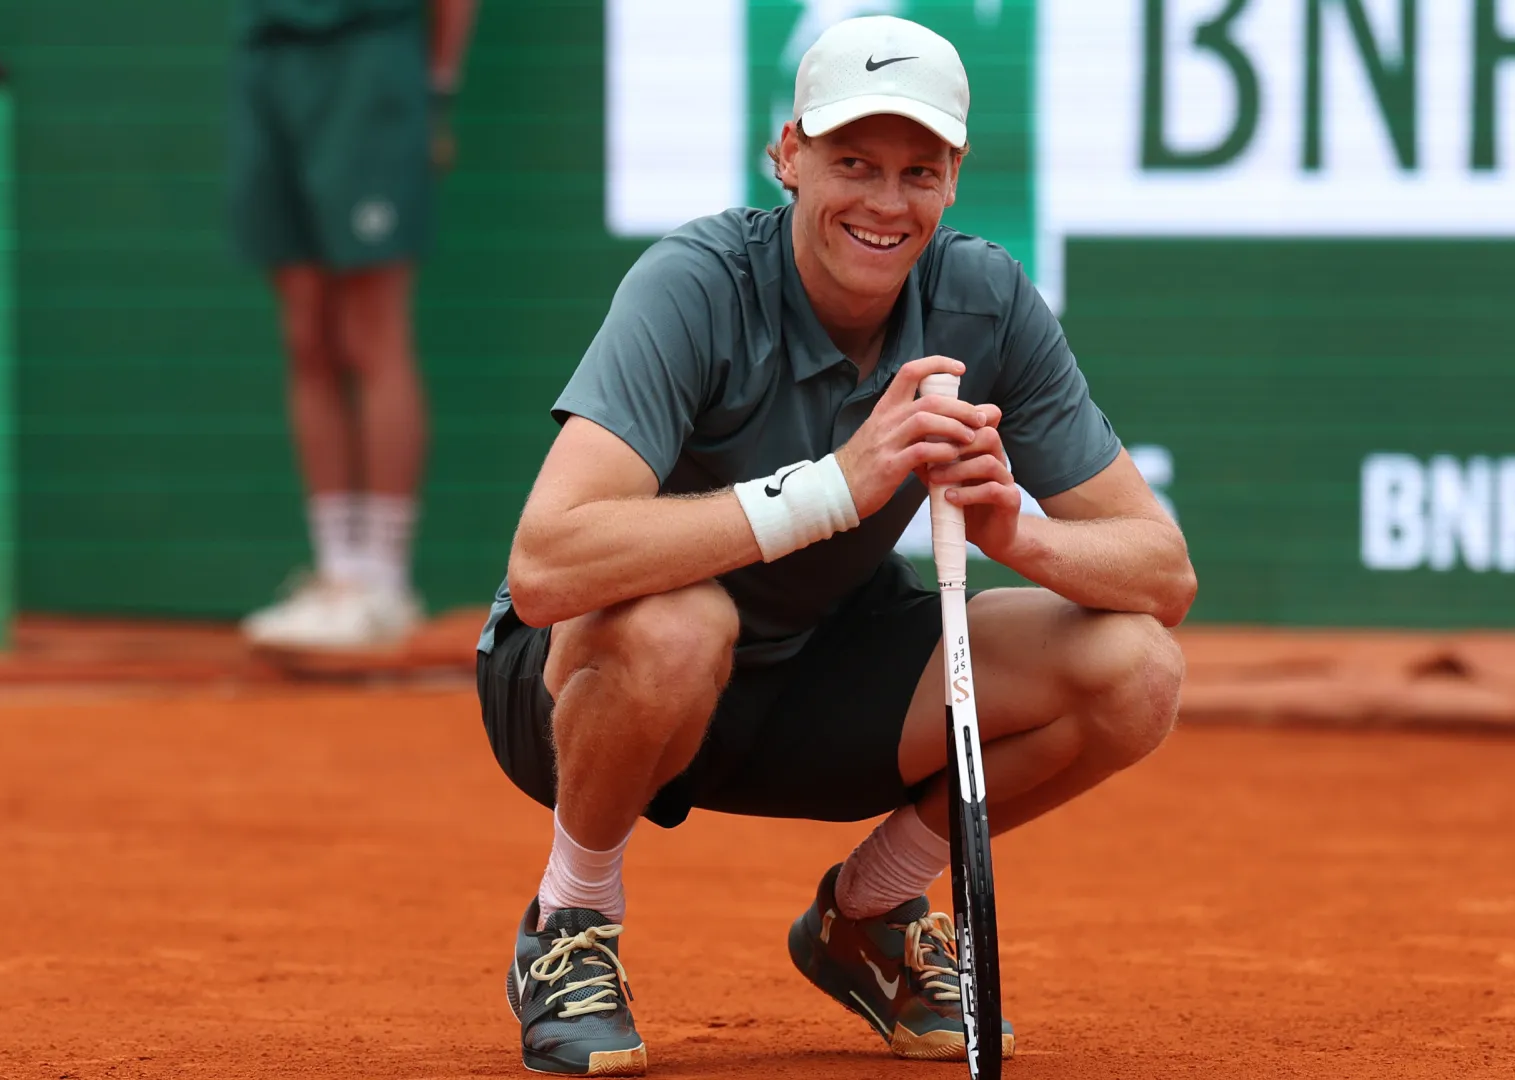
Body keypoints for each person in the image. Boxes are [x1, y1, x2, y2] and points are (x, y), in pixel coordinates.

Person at [474, 15, 1196, 1077]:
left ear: (953, 178)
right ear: (789, 156)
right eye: (852, 162)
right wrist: (833, 489)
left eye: (918, 170)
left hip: (815, 676)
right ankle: (571, 921)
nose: (884, 201)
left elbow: (1161, 572)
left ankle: (869, 914)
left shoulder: (984, 298)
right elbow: (546, 568)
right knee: (680, 621)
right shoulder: (697, 283)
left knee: (1135, 673)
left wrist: (1010, 530)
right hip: (589, 687)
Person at [229, 0, 478, 650]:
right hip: (268, 56)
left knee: (371, 329)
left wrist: (436, 86)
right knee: (305, 331)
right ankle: (339, 576)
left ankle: (384, 584)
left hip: (371, 59)